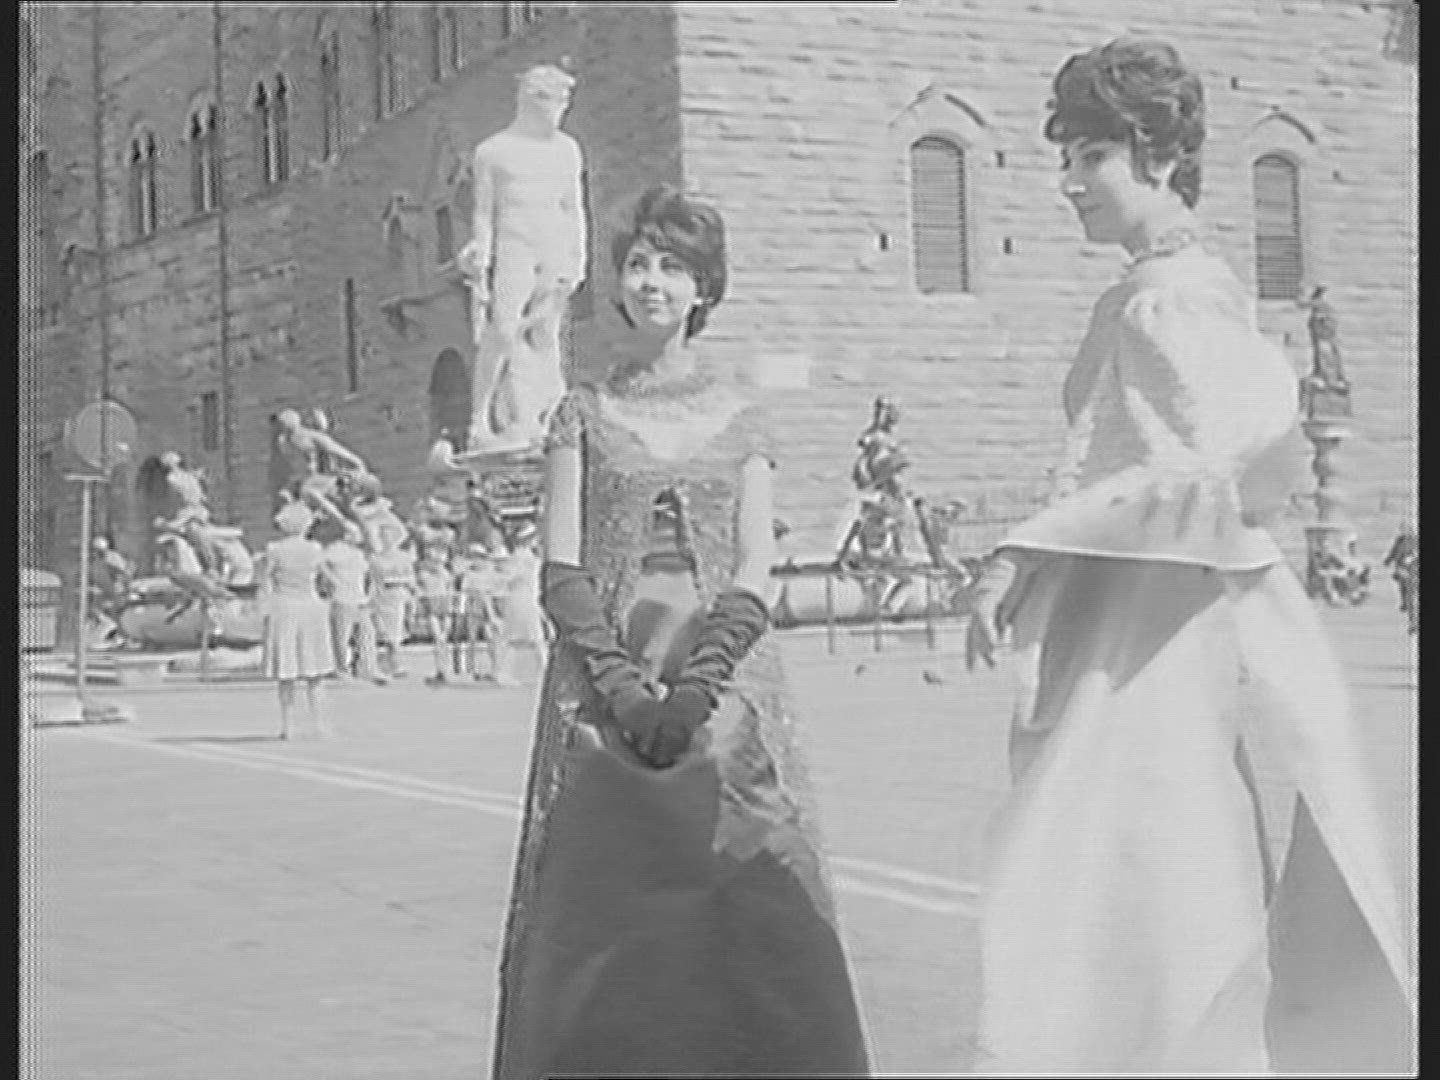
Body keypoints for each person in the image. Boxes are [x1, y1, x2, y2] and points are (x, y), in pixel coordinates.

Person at [962, 38, 1414, 1073]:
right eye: (1066, 158)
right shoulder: (1156, 289)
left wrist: (1022, 551)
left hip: (1151, 645)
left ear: (1160, 157)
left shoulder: (1175, 296)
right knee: (1118, 867)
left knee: (1134, 864)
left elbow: (1206, 465)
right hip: (1125, 625)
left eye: (1093, 157)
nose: (1070, 183)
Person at [490, 184, 870, 1080]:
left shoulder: (743, 414)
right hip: (602, 693)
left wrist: (700, 684)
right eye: (637, 264)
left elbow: (754, 561)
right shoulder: (581, 411)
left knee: (750, 878)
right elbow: (561, 565)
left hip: (726, 689)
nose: (651, 281)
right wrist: (621, 689)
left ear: (704, 289)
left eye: (673, 266)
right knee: (601, 902)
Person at [457, 63, 587, 450]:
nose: (561, 111)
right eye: (557, 102)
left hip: (553, 245)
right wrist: (481, 255)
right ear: (532, 101)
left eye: (565, 103)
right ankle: (480, 418)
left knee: (546, 333)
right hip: (514, 245)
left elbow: (573, 207)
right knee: (502, 329)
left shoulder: (566, 150)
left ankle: (543, 414)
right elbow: (484, 213)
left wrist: (578, 257)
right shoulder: (493, 151)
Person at [260, 501, 334, 739]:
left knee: (287, 672)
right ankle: (318, 724)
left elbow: (265, 580)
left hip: (283, 608)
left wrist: (264, 607)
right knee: (315, 672)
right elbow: (329, 579)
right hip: (310, 607)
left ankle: (287, 726)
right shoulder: (314, 549)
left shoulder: (273, 549)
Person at [321, 520, 387, 685]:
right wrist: (331, 579)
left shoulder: (360, 552)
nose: (359, 537)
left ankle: (368, 668)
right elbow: (318, 562)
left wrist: (370, 593)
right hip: (342, 598)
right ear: (347, 535)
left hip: (360, 598)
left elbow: (371, 569)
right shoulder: (335, 549)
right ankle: (341, 669)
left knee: (367, 633)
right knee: (342, 636)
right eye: (356, 533)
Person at [490, 522, 545, 687]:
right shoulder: (523, 557)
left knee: (528, 638)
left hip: (526, 598)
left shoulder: (526, 557)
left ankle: (501, 672)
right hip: (522, 599)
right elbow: (509, 577)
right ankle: (501, 673)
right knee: (527, 638)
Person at [370, 524, 417, 678]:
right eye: (383, 536)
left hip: (399, 595)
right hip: (382, 596)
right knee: (382, 631)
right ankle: (383, 663)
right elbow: (373, 580)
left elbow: (411, 578)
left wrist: (412, 595)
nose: (387, 539)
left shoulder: (404, 557)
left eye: (390, 536)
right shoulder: (375, 558)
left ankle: (395, 663)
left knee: (396, 631)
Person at [455, 541, 504, 681]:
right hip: (473, 608)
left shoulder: (491, 572)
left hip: (489, 608)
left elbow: (496, 591)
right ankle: (471, 669)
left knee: (491, 638)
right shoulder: (469, 574)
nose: (475, 560)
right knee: (472, 638)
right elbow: (465, 592)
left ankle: (495, 669)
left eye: (478, 557)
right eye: (473, 557)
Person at [415, 543, 456, 686]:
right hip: (432, 604)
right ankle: (442, 670)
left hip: (443, 604)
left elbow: (450, 589)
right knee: (439, 639)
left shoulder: (445, 571)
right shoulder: (423, 570)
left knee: (442, 639)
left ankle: (444, 670)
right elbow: (419, 588)